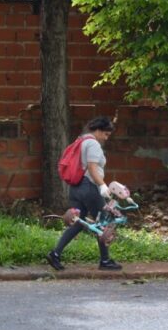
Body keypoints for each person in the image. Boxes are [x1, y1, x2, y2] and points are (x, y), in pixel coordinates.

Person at [46, 116, 122, 271]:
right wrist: (103, 186)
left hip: (76, 187)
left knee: (79, 222)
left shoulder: (80, 141)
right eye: (106, 134)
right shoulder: (93, 144)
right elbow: (93, 169)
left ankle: (55, 253)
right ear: (99, 131)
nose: (106, 138)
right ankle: (105, 260)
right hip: (90, 187)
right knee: (104, 222)